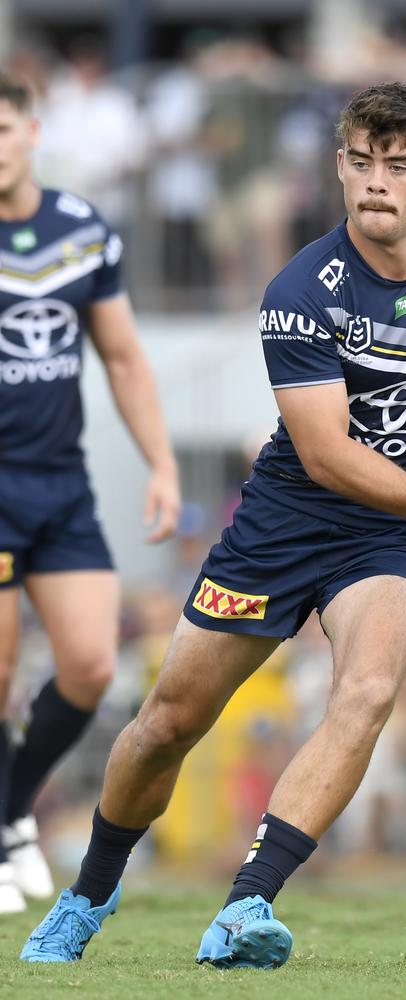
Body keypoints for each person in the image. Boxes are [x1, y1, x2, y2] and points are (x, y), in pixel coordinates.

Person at [21, 82, 406, 967]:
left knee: (369, 693)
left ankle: (244, 908)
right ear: (341, 167)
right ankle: (88, 894)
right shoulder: (301, 289)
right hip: (285, 521)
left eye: (400, 165)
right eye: (362, 162)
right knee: (166, 724)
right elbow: (328, 452)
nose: (378, 181)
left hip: (386, 537)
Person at [0, 73, 180, 914]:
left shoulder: (81, 231)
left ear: (32, 130)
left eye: (3, 128)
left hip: (61, 483)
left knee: (90, 665)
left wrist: (162, 462)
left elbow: (121, 357)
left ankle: (8, 814)